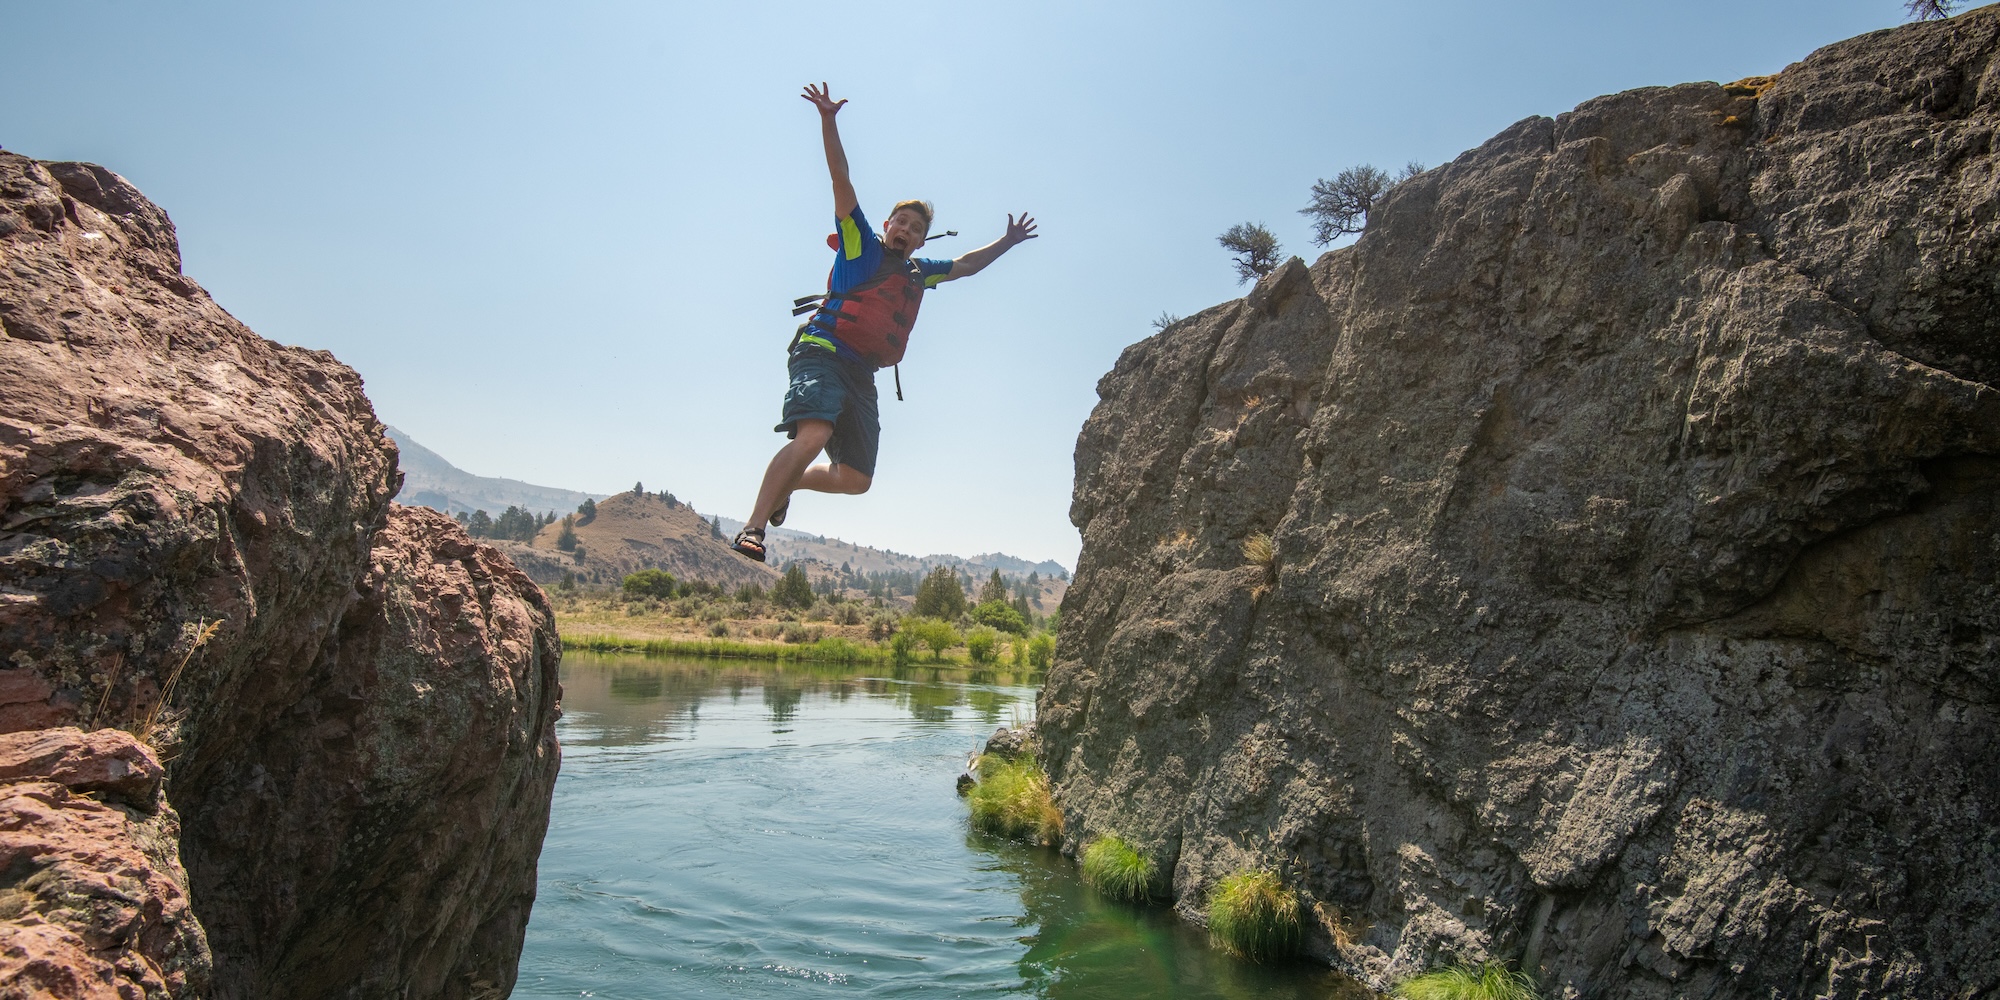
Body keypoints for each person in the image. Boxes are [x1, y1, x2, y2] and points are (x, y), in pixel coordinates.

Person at [730, 83, 1037, 562]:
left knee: (856, 479)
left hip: (861, 373)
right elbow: (841, 182)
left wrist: (1007, 242)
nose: (908, 231)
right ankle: (752, 528)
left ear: (920, 240)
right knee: (814, 436)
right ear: (889, 223)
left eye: (917, 229)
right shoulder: (861, 248)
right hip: (823, 352)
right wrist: (828, 121)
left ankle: (788, 488)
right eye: (902, 222)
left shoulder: (919, 272)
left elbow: (967, 265)